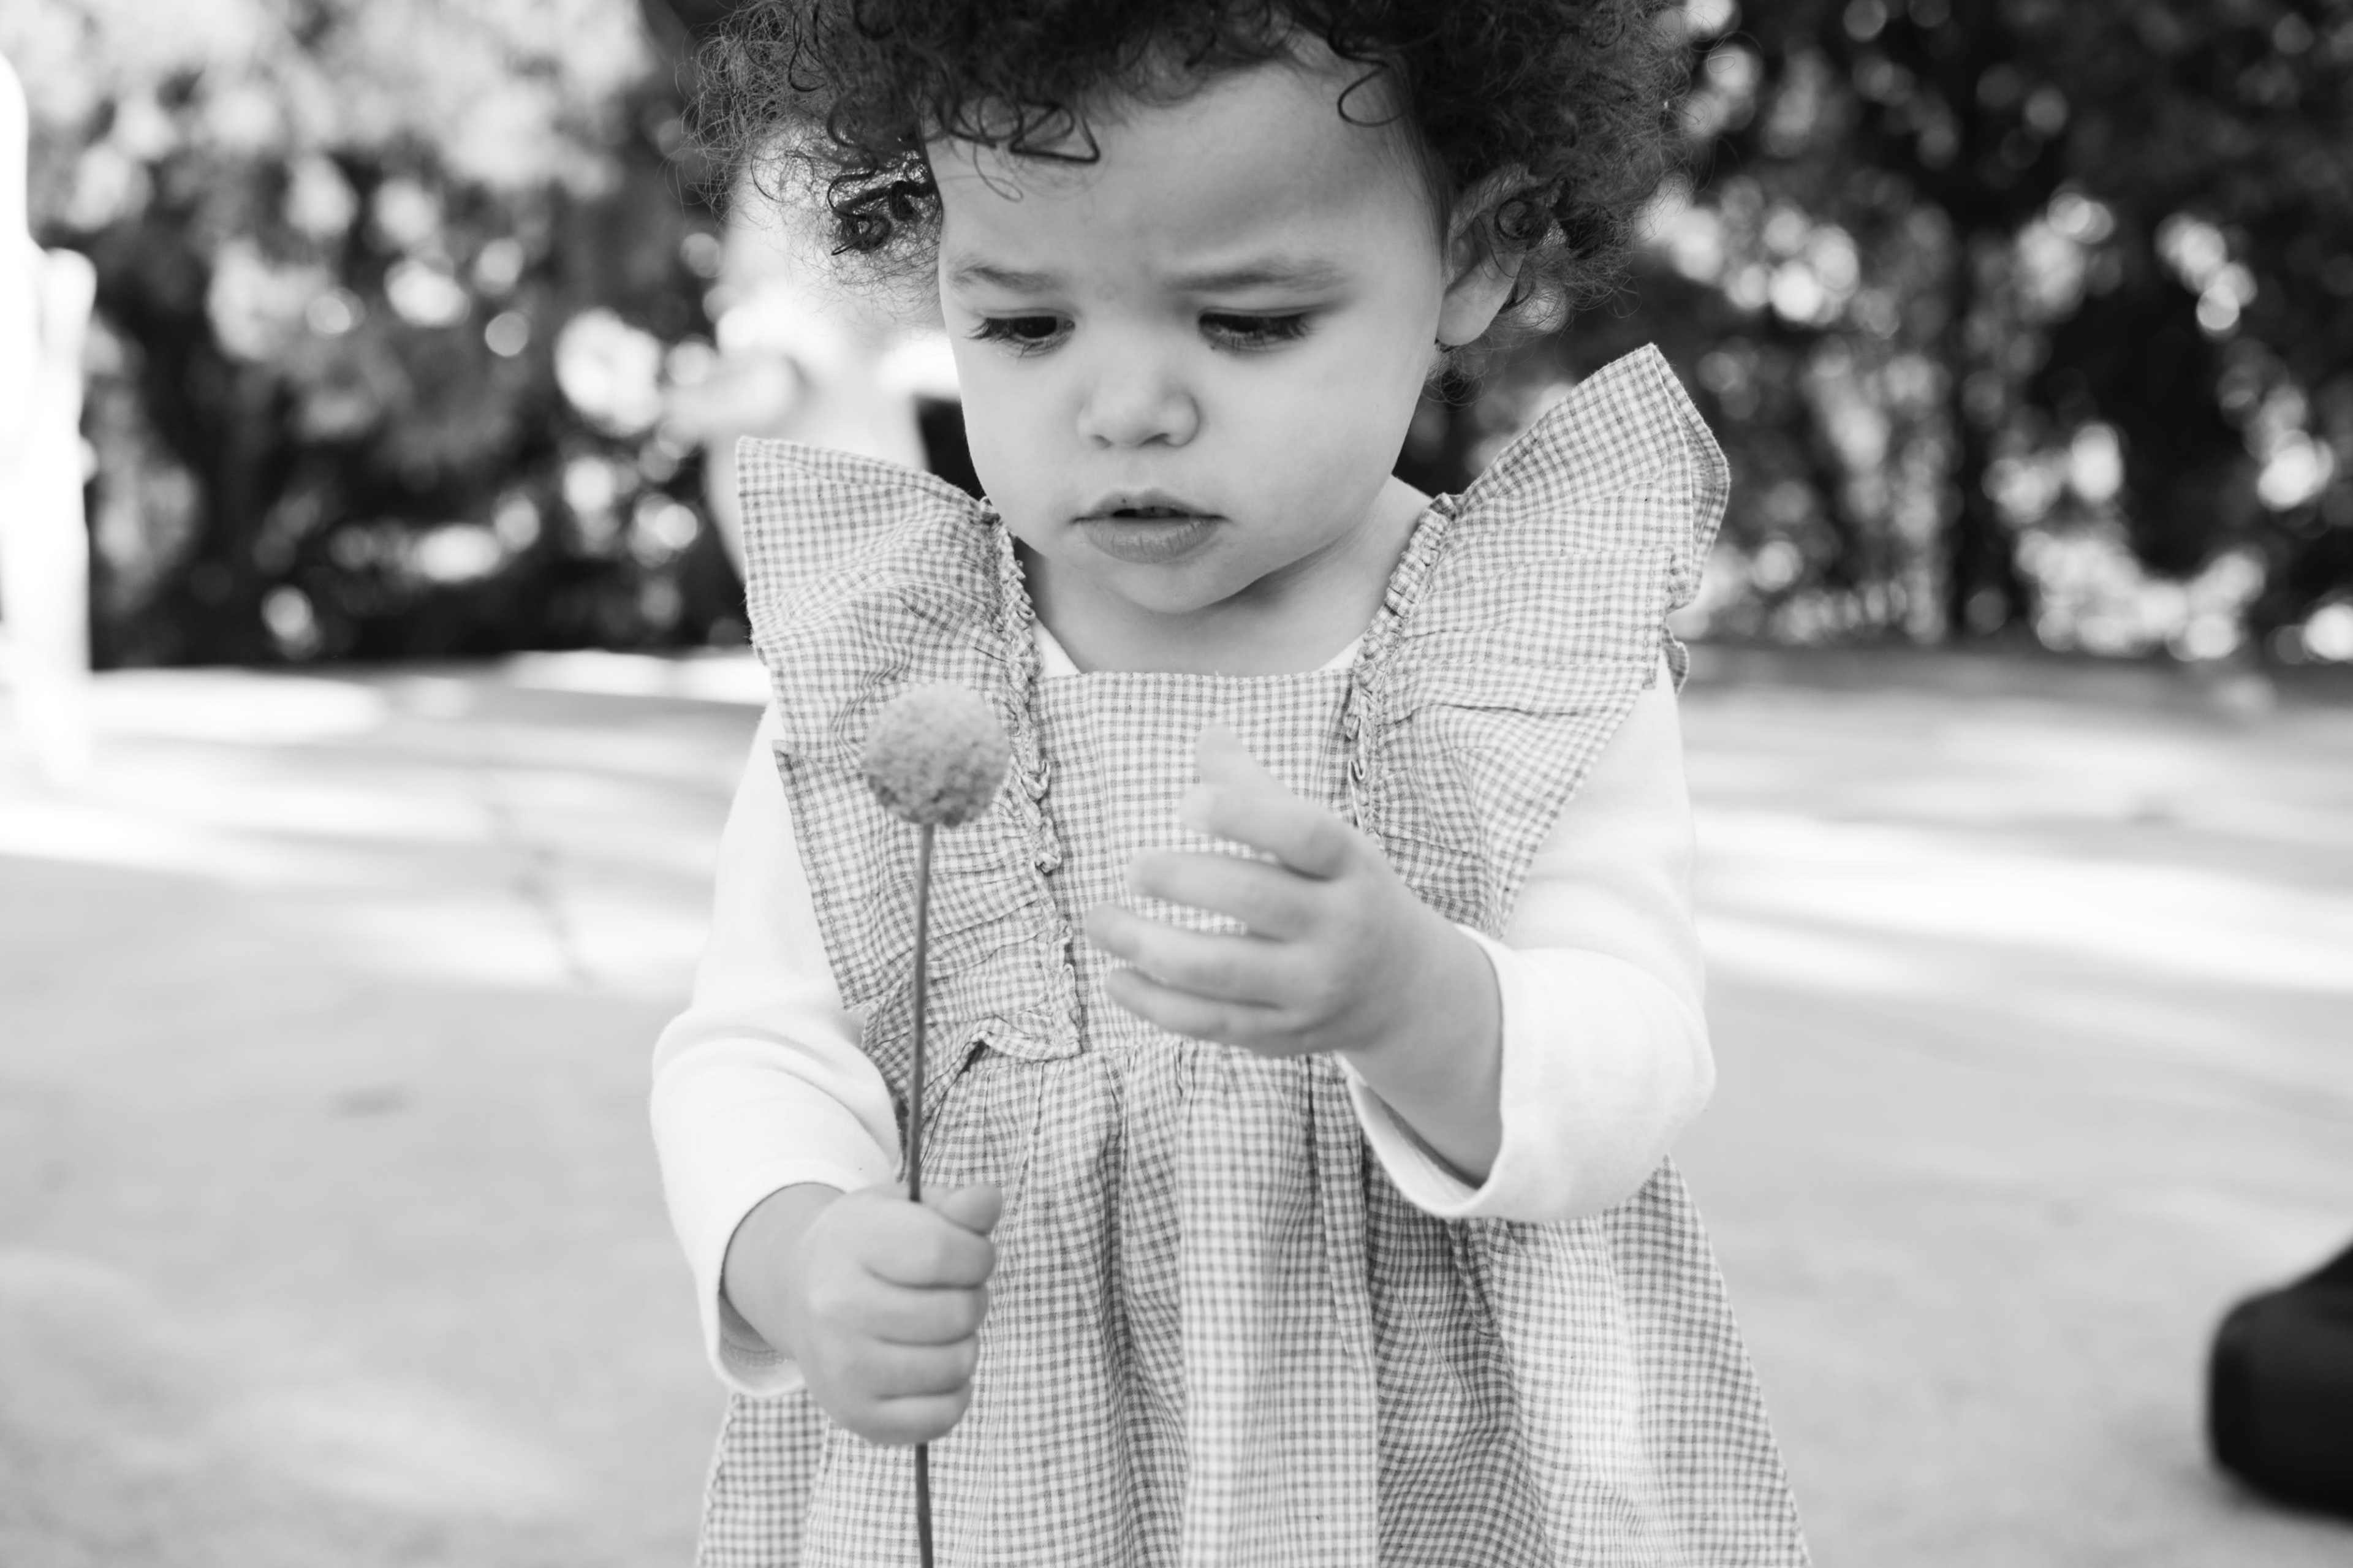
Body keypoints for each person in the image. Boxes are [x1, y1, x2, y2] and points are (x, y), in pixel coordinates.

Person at [652, 3, 1808, 1562]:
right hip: (1015, 1448)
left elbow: (1638, 1055)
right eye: (1024, 325)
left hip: (1428, 1464)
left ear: (1474, 257)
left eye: (1248, 320)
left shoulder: (1517, 645)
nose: (1125, 406)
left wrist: (1421, 1002)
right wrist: (795, 1248)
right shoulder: (901, 666)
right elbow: (759, 1035)